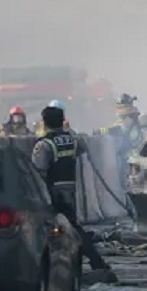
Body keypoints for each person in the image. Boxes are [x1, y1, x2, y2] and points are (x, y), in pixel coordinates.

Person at [31, 105, 111, 272]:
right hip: (71, 188)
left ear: (44, 122)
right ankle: (78, 263)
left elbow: (38, 172)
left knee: (67, 228)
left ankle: (94, 262)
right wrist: (68, 131)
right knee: (69, 227)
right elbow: (83, 147)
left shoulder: (44, 144)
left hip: (52, 192)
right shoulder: (73, 140)